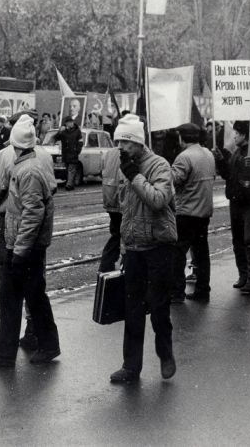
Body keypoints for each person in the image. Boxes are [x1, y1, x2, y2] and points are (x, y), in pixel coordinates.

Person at [0, 115, 60, 368]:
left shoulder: (26, 168)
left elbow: (33, 212)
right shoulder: (34, 161)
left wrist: (19, 251)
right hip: (23, 237)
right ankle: (12, 350)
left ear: (14, 143)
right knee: (27, 293)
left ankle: (43, 345)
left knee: (23, 294)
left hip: (21, 240)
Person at [109, 114, 178, 384]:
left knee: (159, 306)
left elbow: (159, 200)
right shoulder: (126, 166)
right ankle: (131, 366)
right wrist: (125, 246)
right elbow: (125, 208)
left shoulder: (159, 165)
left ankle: (165, 353)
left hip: (159, 245)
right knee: (133, 308)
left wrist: (136, 177)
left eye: (126, 141)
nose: (121, 147)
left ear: (138, 142)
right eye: (118, 141)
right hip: (136, 247)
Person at [213, 121, 250, 294]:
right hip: (236, 201)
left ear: (244, 135)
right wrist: (221, 160)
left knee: (249, 240)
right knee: (238, 241)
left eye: (236, 133)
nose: (234, 136)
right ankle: (243, 275)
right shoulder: (238, 151)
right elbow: (229, 174)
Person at [169, 123, 215, 302]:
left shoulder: (184, 157)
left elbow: (174, 181)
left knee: (177, 253)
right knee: (202, 253)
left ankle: (176, 292)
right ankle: (203, 291)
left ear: (182, 137)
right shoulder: (208, 153)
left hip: (187, 212)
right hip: (204, 212)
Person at [98, 145, 122, 273]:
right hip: (122, 201)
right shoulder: (130, 153)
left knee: (116, 234)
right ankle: (107, 266)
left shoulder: (107, 154)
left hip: (110, 199)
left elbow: (101, 171)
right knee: (121, 237)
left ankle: (106, 266)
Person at [53, 116, 83, 191]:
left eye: (71, 122)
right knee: (67, 169)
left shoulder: (77, 131)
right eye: (68, 122)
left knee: (71, 169)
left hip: (73, 153)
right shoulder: (64, 132)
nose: (70, 124)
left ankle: (69, 185)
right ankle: (70, 184)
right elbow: (56, 138)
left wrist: (77, 150)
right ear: (66, 124)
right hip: (65, 153)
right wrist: (60, 131)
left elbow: (80, 142)